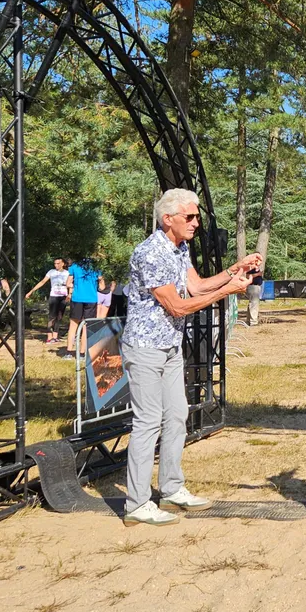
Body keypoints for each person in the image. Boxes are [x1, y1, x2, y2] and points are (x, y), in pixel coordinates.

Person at [120, 189, 259, 527]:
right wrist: (228, 291)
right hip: (145, 348)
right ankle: (136, 504)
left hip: (169, 345)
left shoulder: (179, 249)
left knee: (178, 415)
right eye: (190, 217)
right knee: (148, 421)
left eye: (197, 216)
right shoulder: (151, 252)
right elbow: (178, 305)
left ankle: (171, 489)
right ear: (168, 219)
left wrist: (233, 270)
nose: (196, 223)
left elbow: (195, 288)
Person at [26, 258, 69, 345]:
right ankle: (49, 337)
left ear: (63, 264)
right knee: (52, 316)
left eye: (58, 263)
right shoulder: (51, 272)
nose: (56, 265)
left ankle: (55, 337)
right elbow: (42, 282)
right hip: (54, 296)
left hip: (63, 297)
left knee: (59, 316)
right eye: (55, 263)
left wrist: (70, 294)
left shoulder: (67, 273)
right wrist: (31, 291)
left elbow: (70, 284)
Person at [65, 257, 101, 358]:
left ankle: (69, 352)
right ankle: (82, 353)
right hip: (91, 299)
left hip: (77, 298)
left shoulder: (74, 266)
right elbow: (102, 287)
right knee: (86, 326)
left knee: (73, 325)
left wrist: (75, 286)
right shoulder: (97, 267)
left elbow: (68, 283)